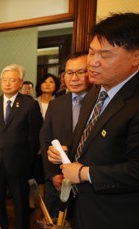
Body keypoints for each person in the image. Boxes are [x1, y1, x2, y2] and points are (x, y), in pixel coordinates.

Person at [47, 13, 139, 229]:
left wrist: (84, 173)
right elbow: (88, 143)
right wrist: (65, 152)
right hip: (86, 219)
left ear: (136, 57)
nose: (93, 62)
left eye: (106, 54)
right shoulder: (95, 93)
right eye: (91, 52)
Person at [0, 64, 43, 229]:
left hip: (19, 164)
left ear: (20, 83)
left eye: (12, 80)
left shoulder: (29, 104)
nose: (7, 83)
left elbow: (36, 136)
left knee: (20, 203)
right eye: (4, 80)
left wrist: (28, 159)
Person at [40, 51, 91, 217]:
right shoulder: (57, 104)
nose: (74, 78)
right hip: (58, 181)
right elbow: (45, 139)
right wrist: (53, 173)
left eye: (80, 72)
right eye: (69, 73)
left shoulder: (99, 102)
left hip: (88, 183)